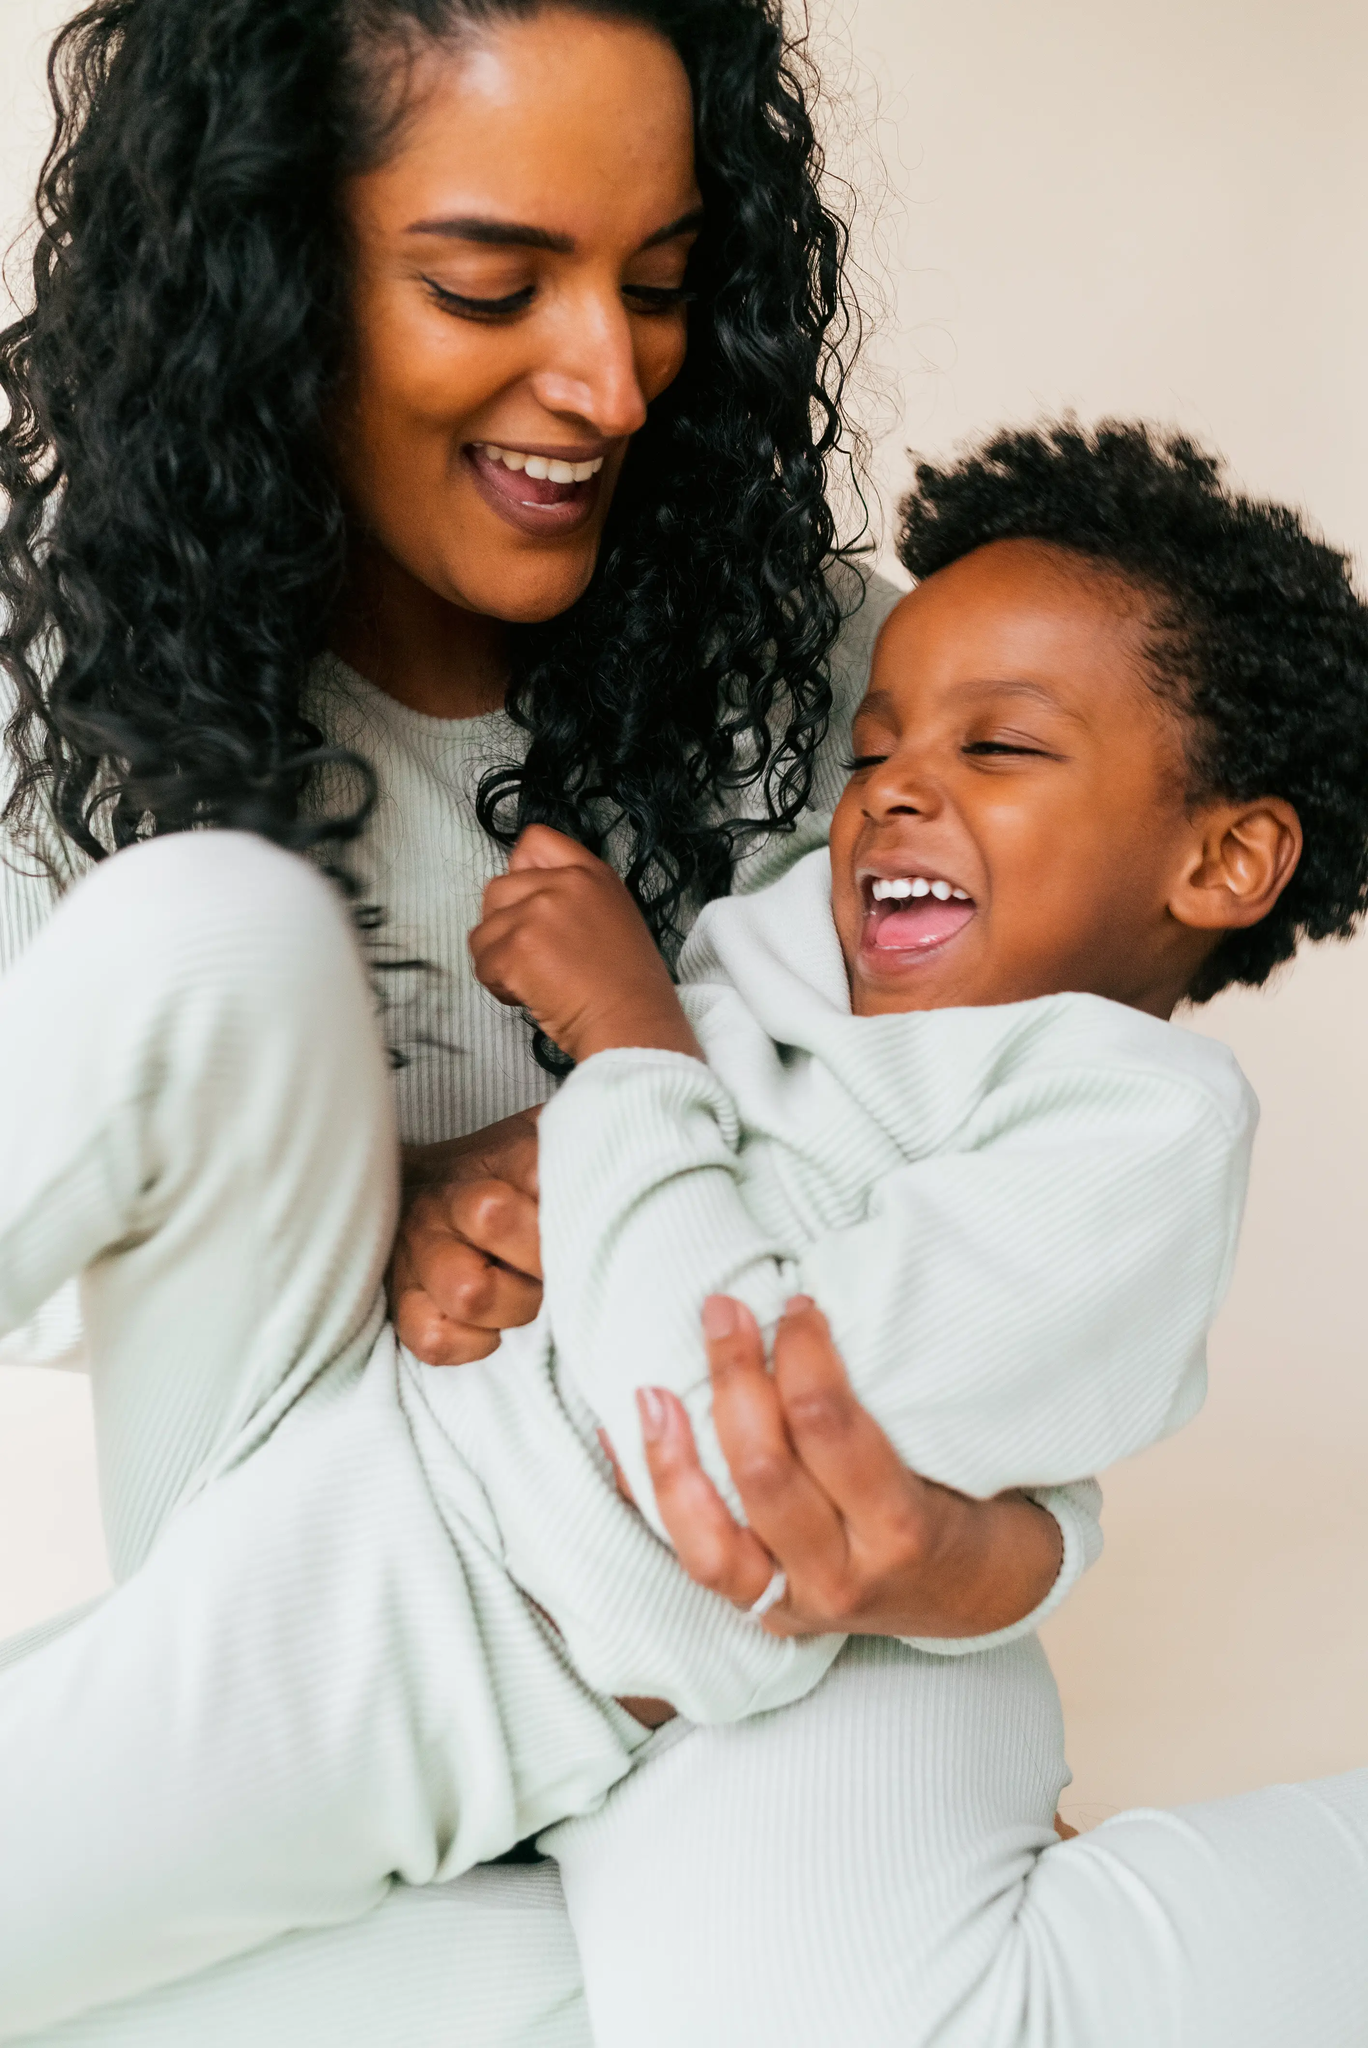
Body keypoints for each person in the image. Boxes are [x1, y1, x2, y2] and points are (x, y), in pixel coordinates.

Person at [6, 420, 1368, 2048]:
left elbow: (733, 1434)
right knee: (208, 921)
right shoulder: (805, 951)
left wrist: (631, 1051)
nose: (898, 789)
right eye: (874, 754)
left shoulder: (1130, 1123)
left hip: (515, 1639)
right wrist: (498, 1173)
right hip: (376, 1473)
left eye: (998, 753)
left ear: (1223, 856)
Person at [0, 1, 1059, 2042]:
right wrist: (382, 1188)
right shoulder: (59, 665)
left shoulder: (841, 686)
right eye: (492, 284)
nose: (610, 381)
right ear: (271, 274)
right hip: (304, 1553)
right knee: (218, 930)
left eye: (662, 287)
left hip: (701, 1641)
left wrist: (642, 1158)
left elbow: (1018, 1215)